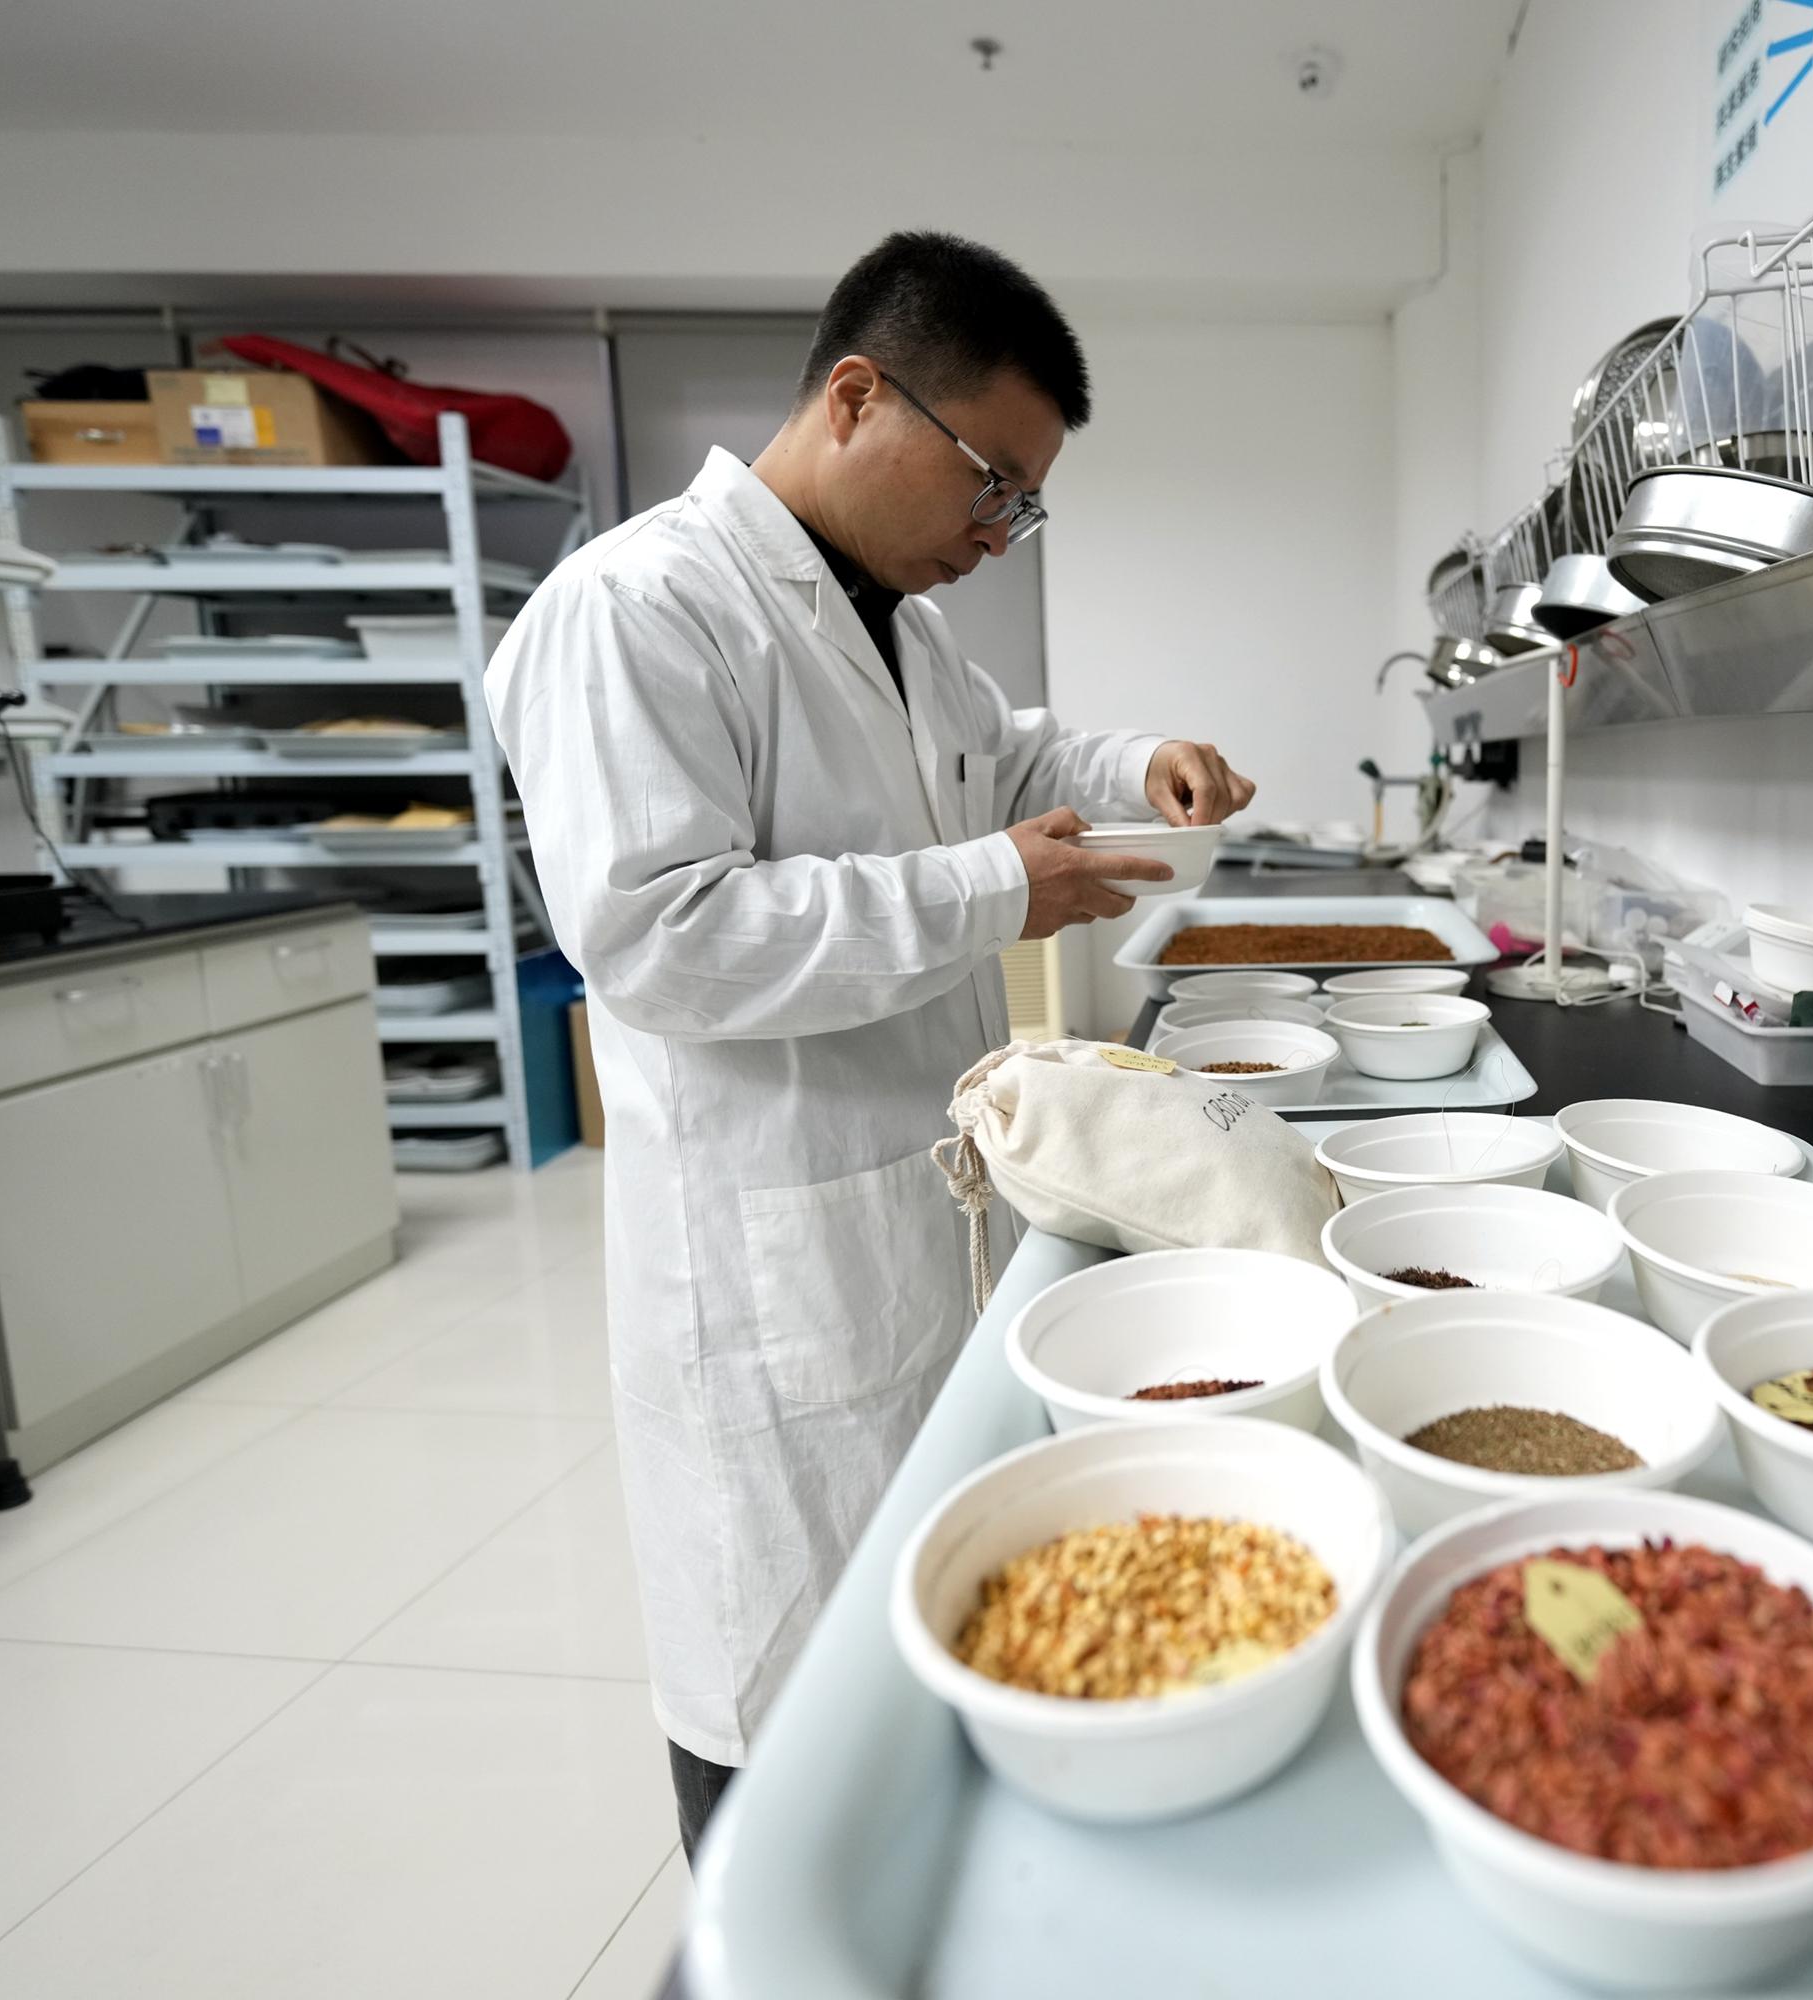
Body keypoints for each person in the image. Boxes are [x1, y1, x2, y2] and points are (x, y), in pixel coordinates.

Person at [485, 230, 1256, 1861]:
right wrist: (993, 889)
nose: (1000, 529)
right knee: (784, 1712)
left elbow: (1004, 755)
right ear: (856, 397)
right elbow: (659, 936)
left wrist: (1138, 762)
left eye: (1027, 504)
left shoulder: (903, 627)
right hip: (772, 1260)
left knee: (917, 1656)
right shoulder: (636, 608)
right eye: (992, 481)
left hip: (920, 1208)